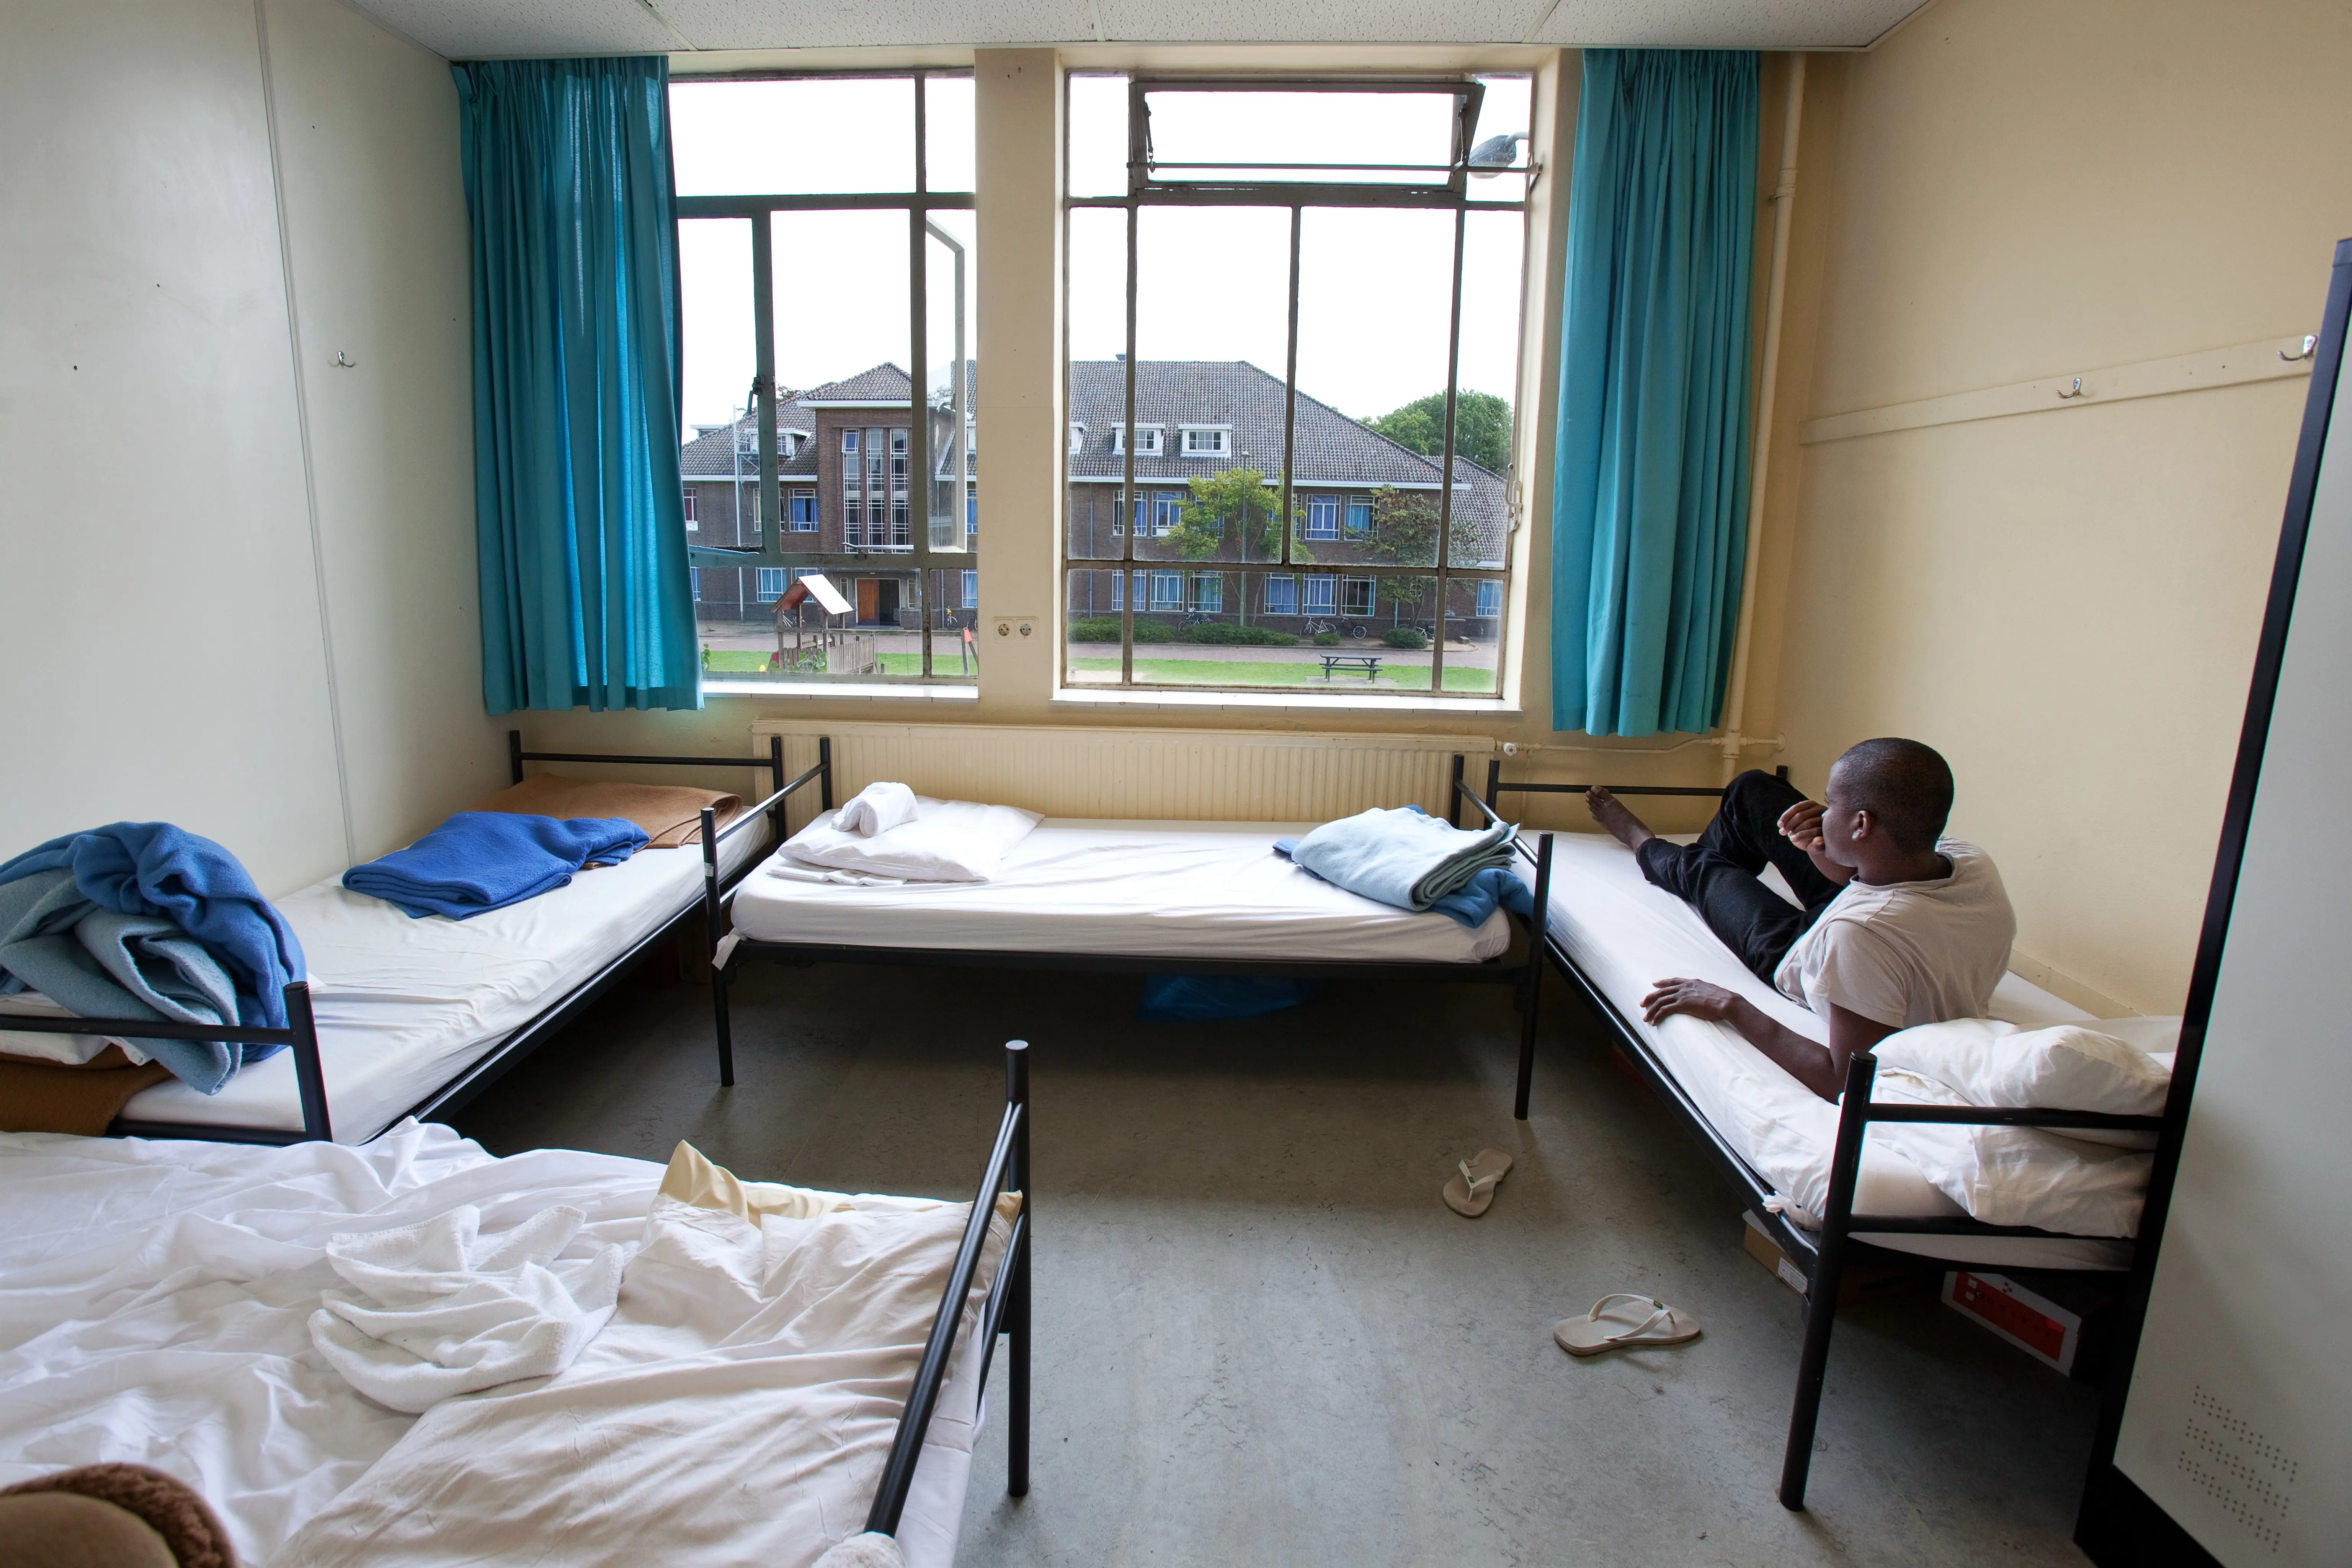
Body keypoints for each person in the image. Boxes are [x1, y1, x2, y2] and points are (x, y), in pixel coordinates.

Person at [1583, 739, 2015, 1104]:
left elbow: (1842, 1081)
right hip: (1869, 905)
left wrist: (1730, 1004)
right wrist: (1817, 849)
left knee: (1708, 870)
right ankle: (1695, 871)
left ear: (1862, 824)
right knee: (1753, 789)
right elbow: (1867, 882)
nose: (1822, 813)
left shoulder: (1859, 938)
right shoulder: (1969, 860)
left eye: (1831, 805)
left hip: (1798, 949)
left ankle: (1645, 845)